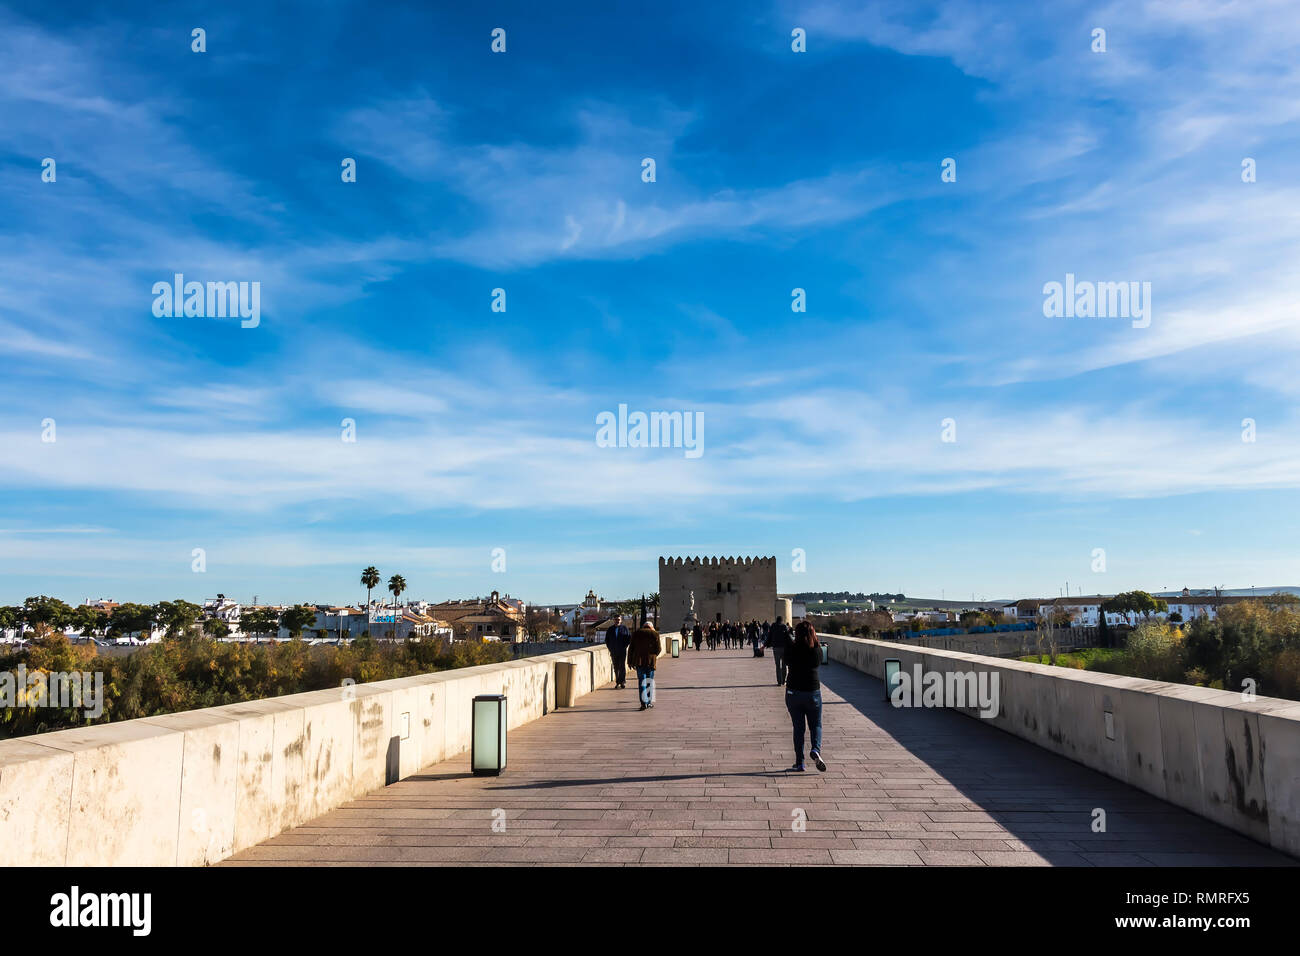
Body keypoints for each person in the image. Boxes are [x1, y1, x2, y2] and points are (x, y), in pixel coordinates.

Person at [784, 620, 826, 772]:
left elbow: (786, 660)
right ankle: (815, 749)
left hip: (793, 692)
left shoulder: (792, 648)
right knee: (816, 725)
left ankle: (800, 762)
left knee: (798, 728)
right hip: (812, 692)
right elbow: (819, 662)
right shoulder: (816, 650)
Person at [627, 617, 662, 710]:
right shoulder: (655, 634)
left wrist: (629, 661)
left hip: (639, 662)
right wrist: (653, 656)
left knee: (641, 682)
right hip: (650, 662)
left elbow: (631, 649)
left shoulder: (636, 634)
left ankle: (643, 703)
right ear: (651, 627)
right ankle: (649, 702)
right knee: (649, 682)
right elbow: (658, 649)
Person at [604, 615, 631, 689]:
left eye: (618, 619)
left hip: (622, 651)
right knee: (616, 667)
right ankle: (617, 682)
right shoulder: (610, 629)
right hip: (614, 651)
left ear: (621, 620)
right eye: (616, 619)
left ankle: (622, 682)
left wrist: (624, 646)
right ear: (613, 620)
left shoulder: (624, 628)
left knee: (622, 666)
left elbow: (628, 638)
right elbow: (607, 640)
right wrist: (610, 648)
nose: (617, 621)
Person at [766, 616, 793, 685]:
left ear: (776, 620)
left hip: (775, 648)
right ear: (782, 620)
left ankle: (779, 681)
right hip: (784, 648)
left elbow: (769, 636)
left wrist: (764, 645)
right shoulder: (784, 626)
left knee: (777, 665)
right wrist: (794, 644)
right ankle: (783, 681)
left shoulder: (773, 626)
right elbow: (788, 637)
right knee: (784, 665)